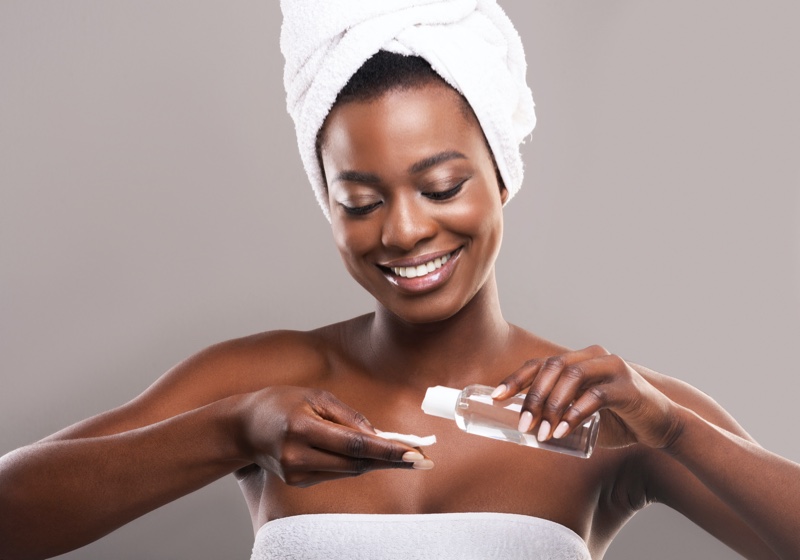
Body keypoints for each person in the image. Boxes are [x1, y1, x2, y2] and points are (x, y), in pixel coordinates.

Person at [1, 1, 799, 559]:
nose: (406, 229)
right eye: (361, 200)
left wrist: (678, 434)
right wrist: (232, 432)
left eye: (443, 186)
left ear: (501, 175)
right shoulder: (260, 384)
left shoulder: (607, 413)